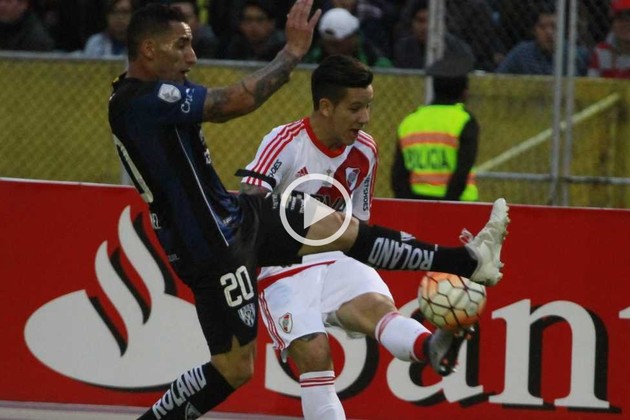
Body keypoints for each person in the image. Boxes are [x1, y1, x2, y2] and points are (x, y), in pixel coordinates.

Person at [108, 2, 508, 418]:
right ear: (149, 49)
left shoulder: (363, 149)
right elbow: (233, 102)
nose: (192, 57)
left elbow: (356, 220)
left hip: (240, 218)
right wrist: (292, 53)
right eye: (181, 45)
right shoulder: (139, 101)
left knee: (344, 231)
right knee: (236, 369)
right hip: (213, 250)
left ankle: (468, 261)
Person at [240, 54, 475, 420]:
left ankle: (429, 346)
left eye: (368, 106)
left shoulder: (365, 149)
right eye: (355, 108)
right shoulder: (285, 142)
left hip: (334, 256)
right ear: (326, 106)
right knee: (316, 354)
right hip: (281, 266)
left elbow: (358, 227)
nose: (365, 117)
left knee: (378, 310)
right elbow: (248, 204)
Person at [391, 54, 479, 201]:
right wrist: (444, 205)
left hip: (417, 206)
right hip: (459, 205)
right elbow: (462, 172)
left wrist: (411, 205)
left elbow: (398, 176)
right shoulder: (465, 121)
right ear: (464, 92)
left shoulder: (410, 122)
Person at [496, 4, 589, 76]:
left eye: (554, 26)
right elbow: (498, 77)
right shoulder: (522, 53)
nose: (549, 32)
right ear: (534, 30)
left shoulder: (577, 55)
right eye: (542, 27)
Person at [393, 0, 474, 70]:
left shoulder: (455, 48)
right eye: (420, 21)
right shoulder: (403, 48)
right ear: (412, 23)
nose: (425, 27)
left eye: (430, 21)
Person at [304, 7, 393, 67]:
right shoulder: (313, 59)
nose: (331, 50)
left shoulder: (376, 62)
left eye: (336, 45)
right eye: (327, 44)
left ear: (353, 38)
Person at [588, 0, 630, 79]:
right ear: (612, 24)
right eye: (620, 18)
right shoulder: (601, 51)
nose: (626, 24)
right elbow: (592, 82)